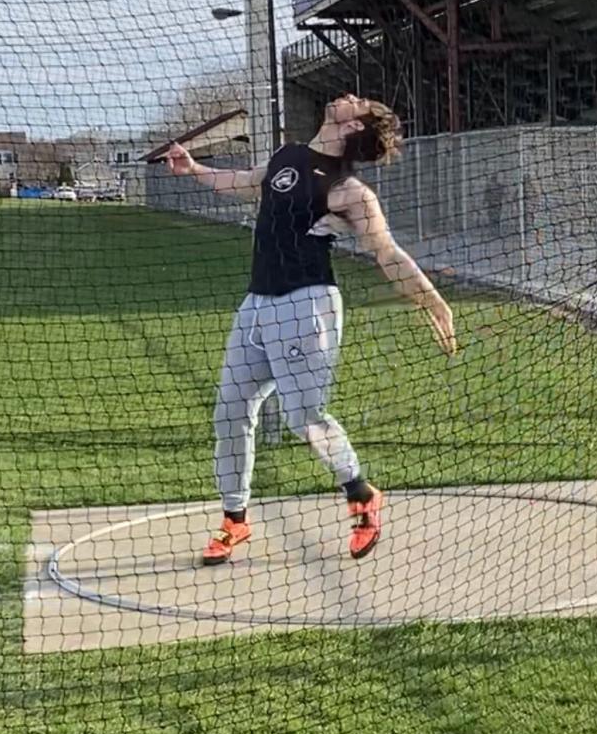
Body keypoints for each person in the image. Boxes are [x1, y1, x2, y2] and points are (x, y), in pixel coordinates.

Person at [165, 94, 456, 566]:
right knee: (230, 413)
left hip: (306, 307)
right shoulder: (288, 155)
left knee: (304, 418)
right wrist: (195, 169)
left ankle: (361, 495)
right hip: (255, 305)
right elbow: (245, 183)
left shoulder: (349, 191)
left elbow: (388, 253)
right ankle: (235, 519)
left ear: (353, 127)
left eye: (358, 102)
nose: (349, 97)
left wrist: (433, 301)